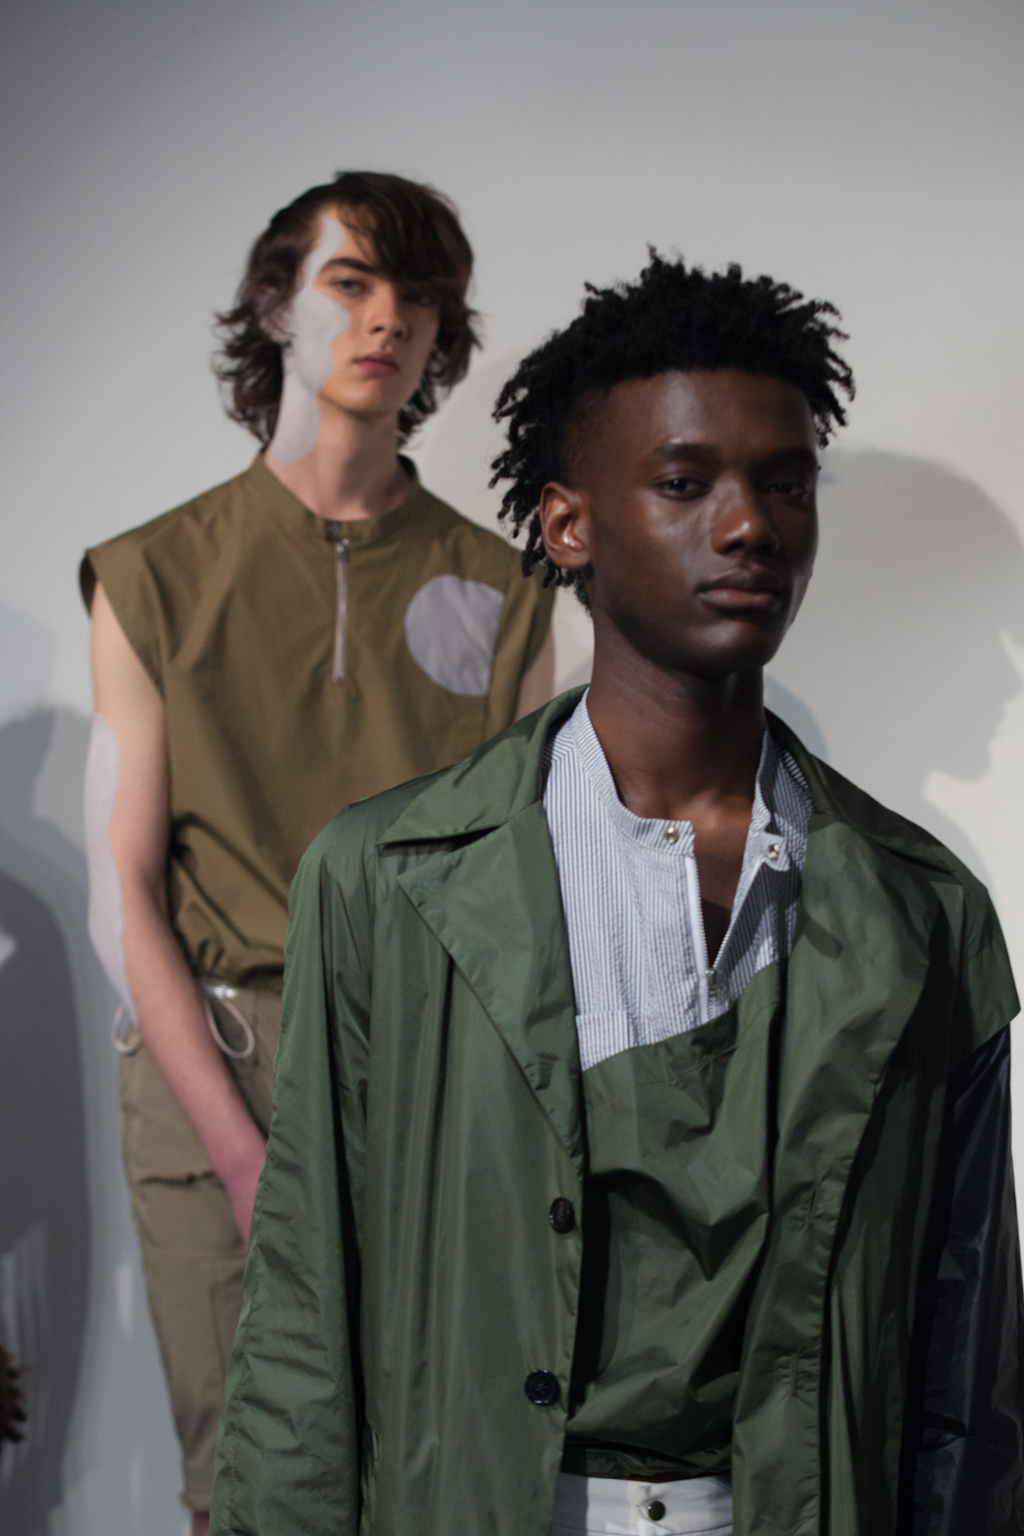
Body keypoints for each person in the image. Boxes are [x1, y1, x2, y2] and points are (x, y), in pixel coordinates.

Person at [210, 256, 1023, 1536]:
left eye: (785, 483)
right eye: (684, 482)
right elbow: (303, 1328)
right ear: (568, 524)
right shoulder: (386, 879)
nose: (750, 525)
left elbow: (964, 1376)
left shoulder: (924, 916)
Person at [81, 170, 555, 1534]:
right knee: (243, 1481)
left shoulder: (508, 587)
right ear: (277, 305)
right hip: (216, 1056)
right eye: (352, 282)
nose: (387, 318)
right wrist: (242, 1155)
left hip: (428, 1063)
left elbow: (522, 891)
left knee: (429, 1469)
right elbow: (126, 893)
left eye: (420, 296)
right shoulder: (154, 573)